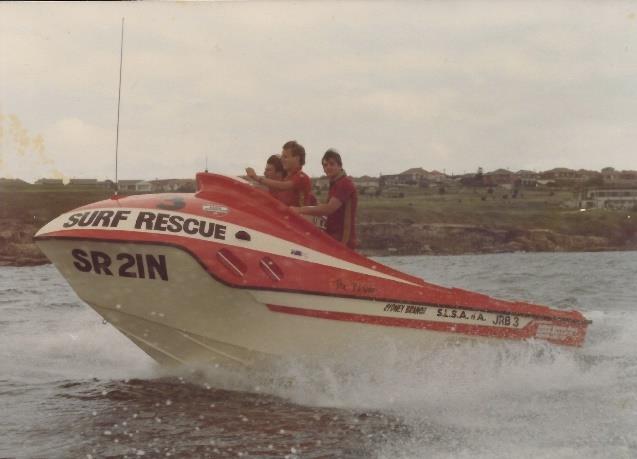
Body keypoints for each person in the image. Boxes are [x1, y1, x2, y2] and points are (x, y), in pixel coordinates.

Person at [291, 149, 357, 249]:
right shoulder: (336, 183)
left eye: (331, 164)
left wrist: (299, 210)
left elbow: (329, 209)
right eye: (325, 165)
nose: (328, 167)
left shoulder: (344, 184)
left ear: (339, 166)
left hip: (343, 241)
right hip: (334, 237)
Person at [245, 140, 315, 206]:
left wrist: (256, 178)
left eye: (285, 157)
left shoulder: (301, 177)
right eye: (282, 157)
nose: (282, 159)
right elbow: (274, 195)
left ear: (297, 158)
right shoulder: (287, 178)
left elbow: (282, 186)